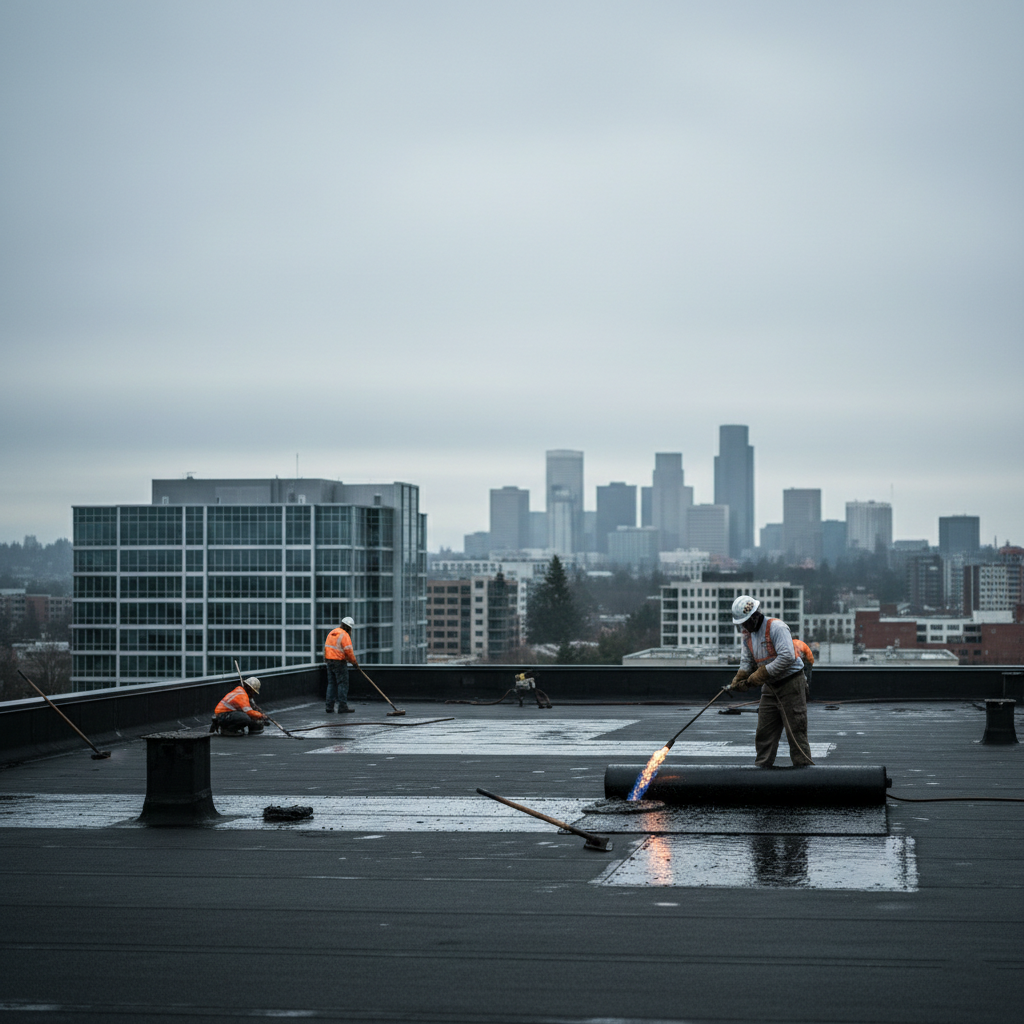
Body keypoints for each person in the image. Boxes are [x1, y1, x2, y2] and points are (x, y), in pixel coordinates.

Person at [726, 595, 813, 768]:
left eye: (745, 622)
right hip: (770, 687)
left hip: (791, 684)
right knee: (764, 732)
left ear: (755, 617)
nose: (744, 627)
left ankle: (804, 772)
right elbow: (747, 661)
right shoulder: (747, 634)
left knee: (796, 732)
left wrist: (760, 675)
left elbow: (787, 657)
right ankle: (762, 770)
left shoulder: (777, 627)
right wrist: (740, 677)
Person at [324, 616, 358, 714]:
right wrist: (354, 663)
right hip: (339, 662)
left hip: (329, 661)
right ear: (349, 627)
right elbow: (348, 651)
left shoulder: (332, 632)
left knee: (331, 684)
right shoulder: (344, 635)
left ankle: (329, 707)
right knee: (342, 684)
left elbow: (327, 648)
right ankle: (342, 706)